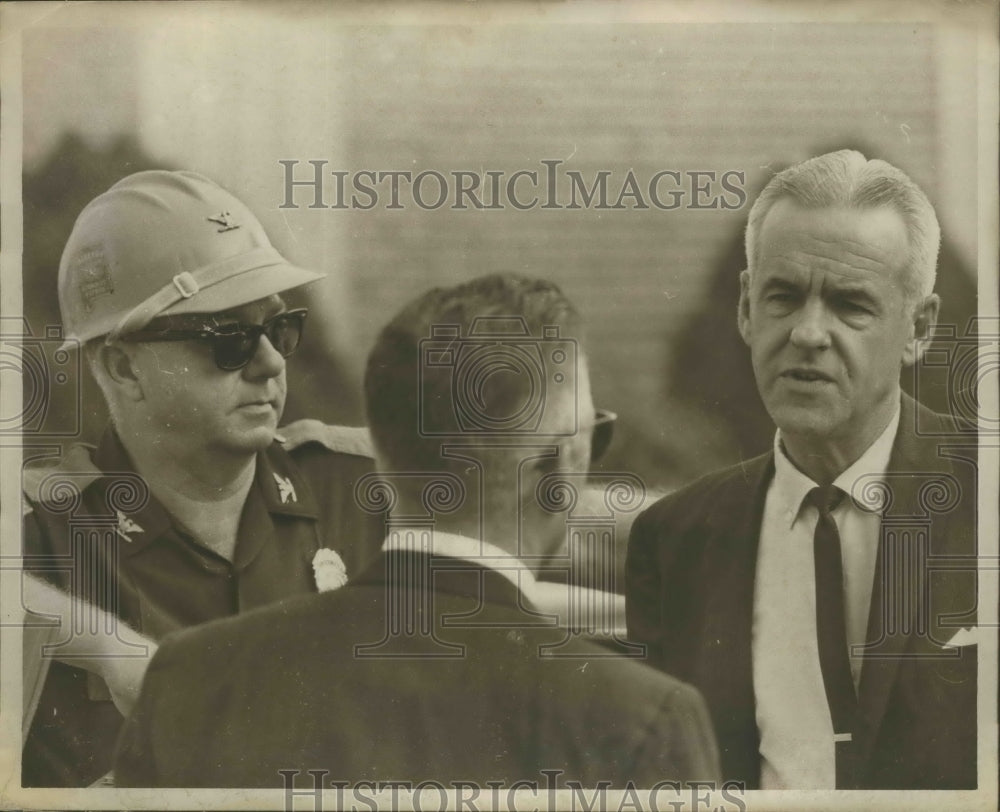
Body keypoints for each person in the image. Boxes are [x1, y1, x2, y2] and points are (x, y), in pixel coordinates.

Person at [114, 273, 721, 788]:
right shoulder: (639, 721)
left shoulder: (190, 681)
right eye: (596, 439)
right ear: (561, 467)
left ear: (382, 452)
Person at [626, 150, 977, 790]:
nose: (808, 334)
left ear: (918, 328)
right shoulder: (674, 542)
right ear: (744, 309)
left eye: (851, 305)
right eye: (783, 297)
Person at [22, 170, 383, 786]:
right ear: (123, 368)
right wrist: (108, 648)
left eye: (279, 327)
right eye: (230, 338)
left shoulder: (360, 492)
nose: (271, 362)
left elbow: (539, 520)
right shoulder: (45, 535)